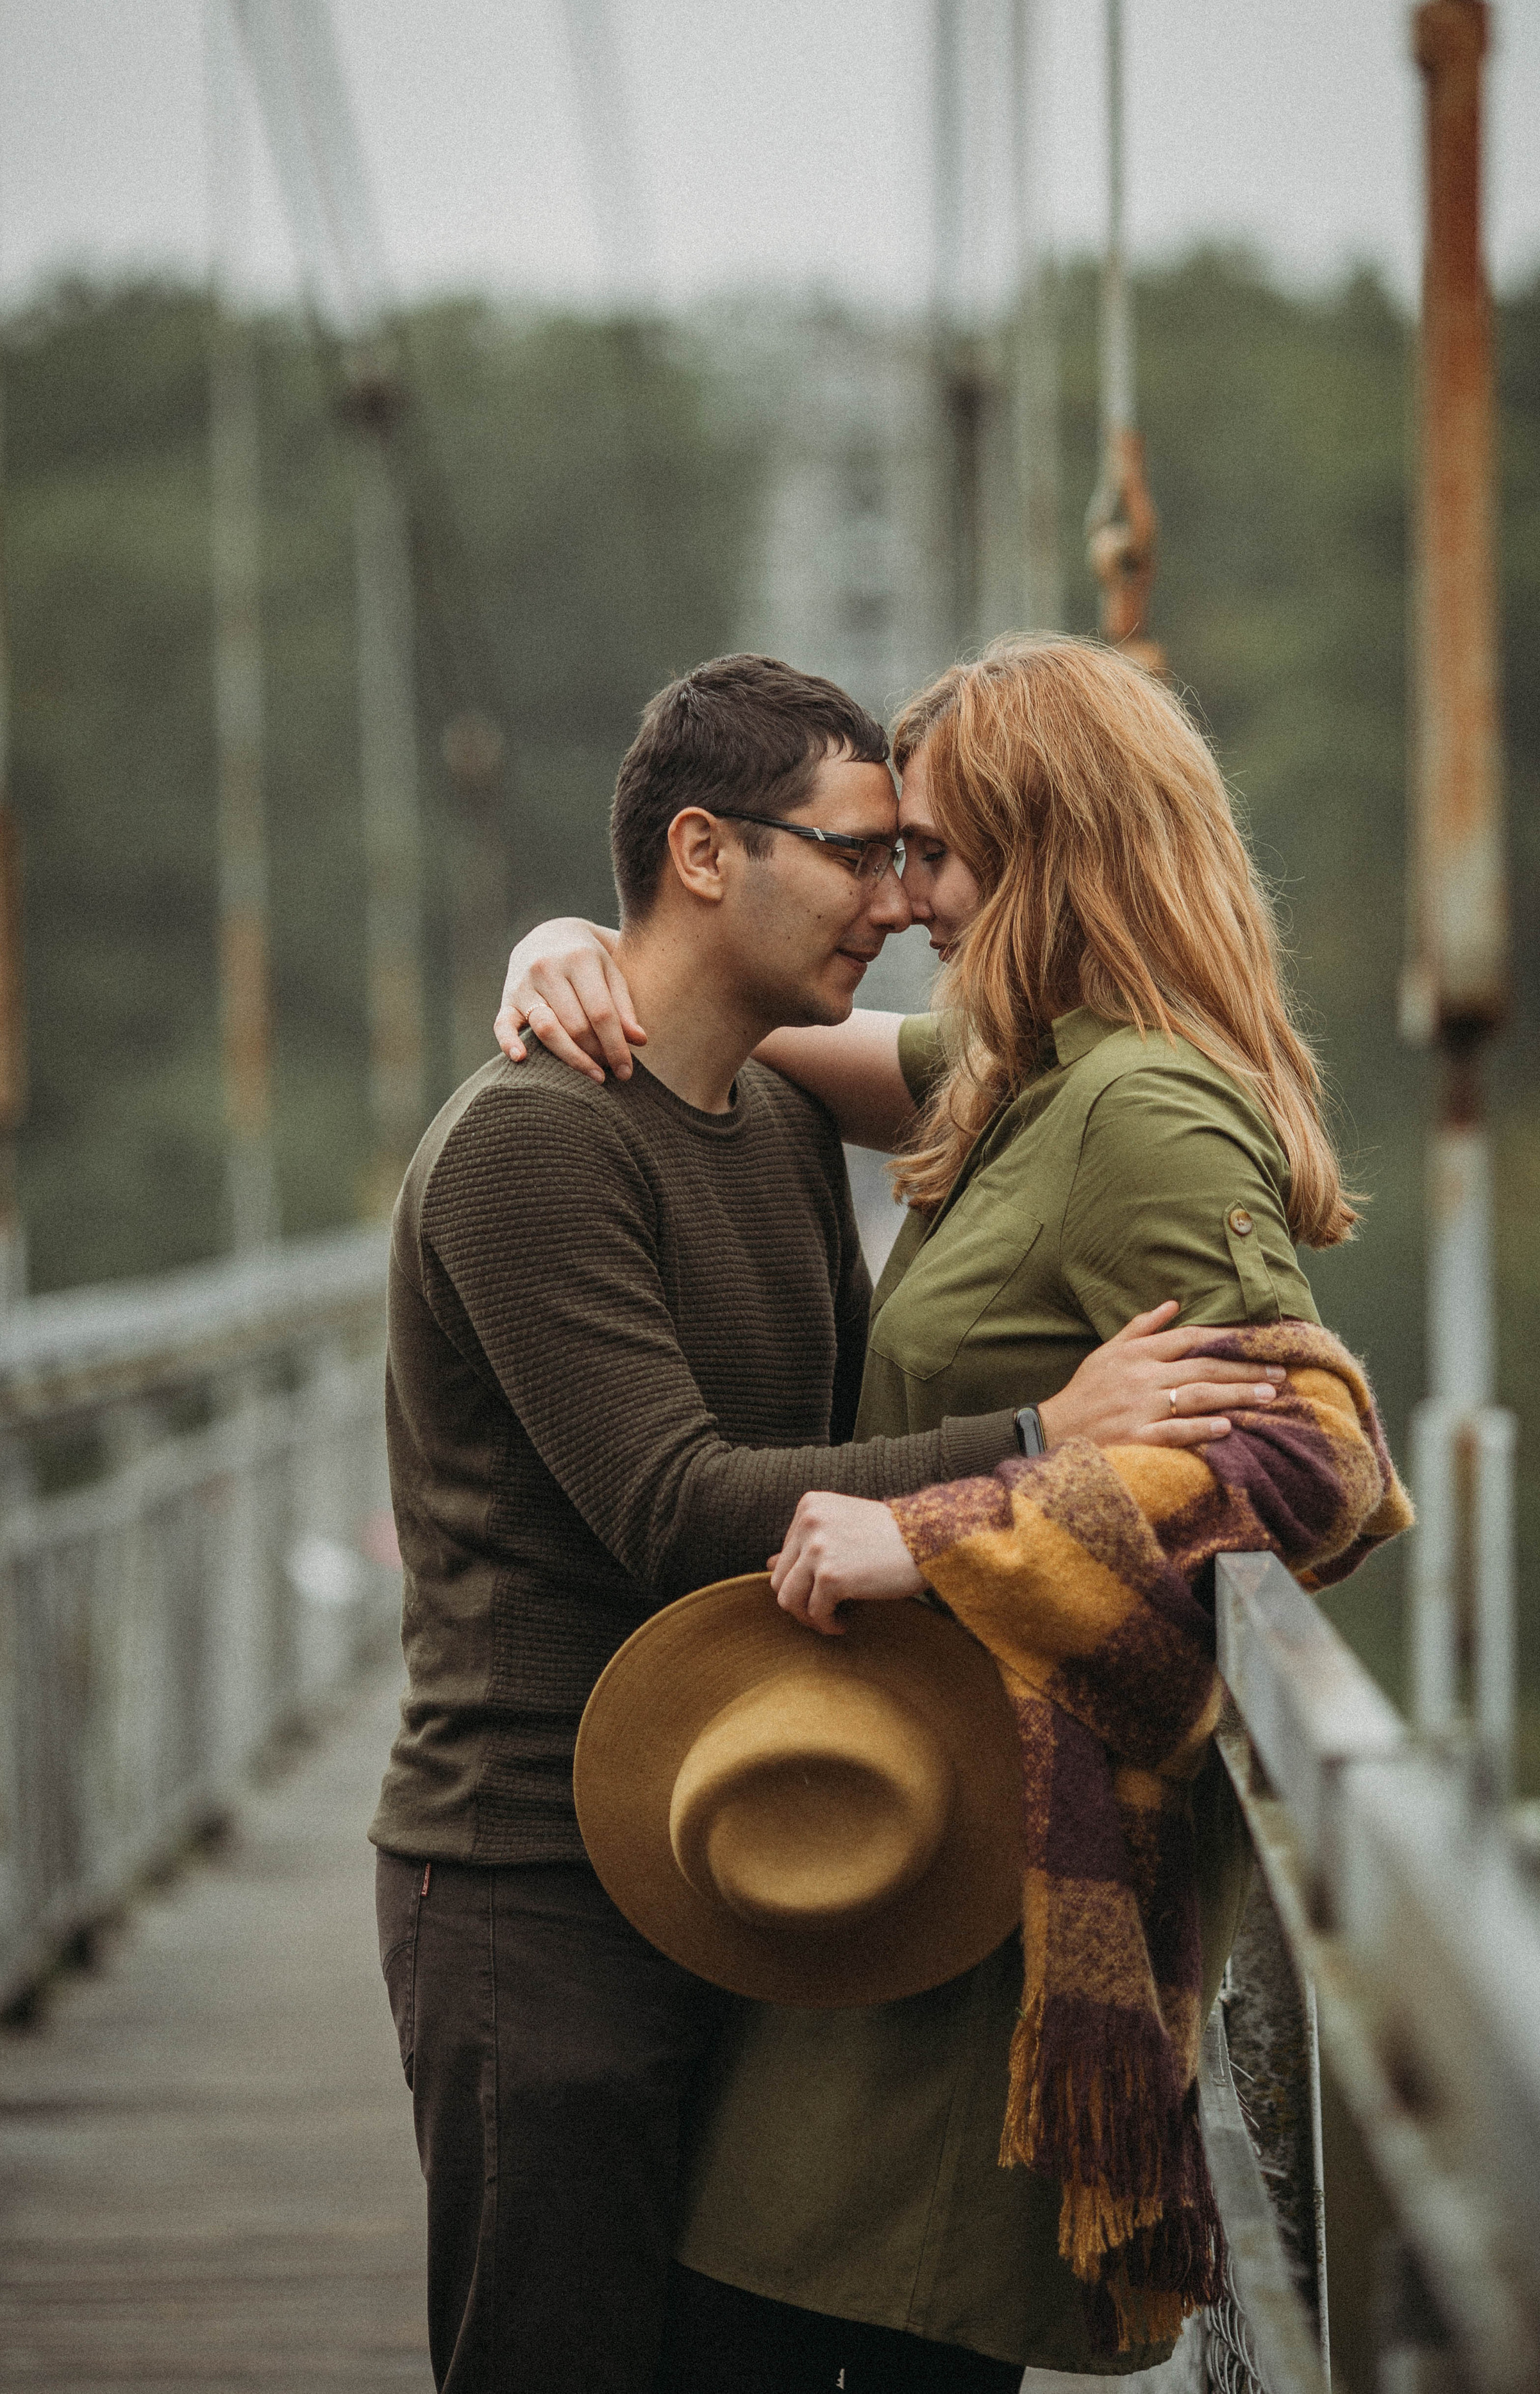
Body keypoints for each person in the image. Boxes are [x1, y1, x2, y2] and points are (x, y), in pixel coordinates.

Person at [372, 650, 1276, 2394]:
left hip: (742, 1834)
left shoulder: (780, 1112)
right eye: (861, 856)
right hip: (536, 1873)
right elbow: (673, 1505)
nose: (894, 899)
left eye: (915, 858)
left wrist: (584, 936)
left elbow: (1083, 1110)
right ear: (709, 853)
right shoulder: (532, 1148)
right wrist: (1032, 1441)